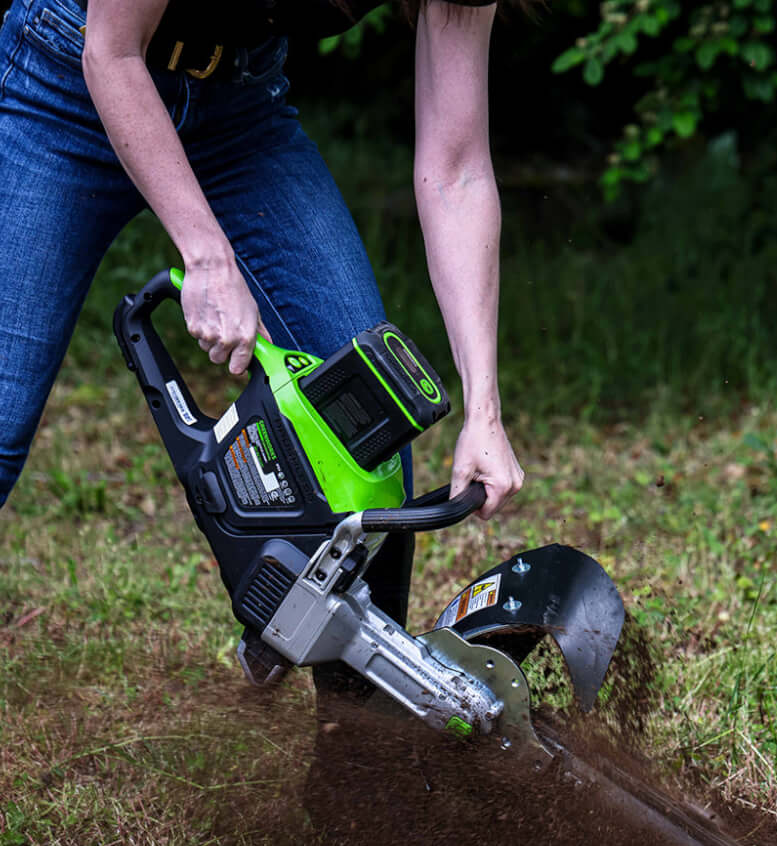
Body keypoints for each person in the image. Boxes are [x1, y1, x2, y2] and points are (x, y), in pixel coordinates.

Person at [0, 0, 525, 528]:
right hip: (65, 87)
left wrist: (485, 410)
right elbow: (111, 53)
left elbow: (457, 174)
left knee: (365, 425)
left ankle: (357, 615)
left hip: (239, 115)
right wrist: (208, 258)